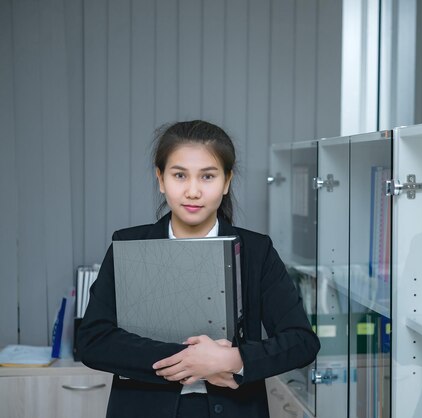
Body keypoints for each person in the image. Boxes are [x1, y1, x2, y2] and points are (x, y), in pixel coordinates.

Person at [77, 120, 320, 418]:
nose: (193, 191)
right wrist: (194, 361)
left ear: (227, 181)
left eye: (207, 176)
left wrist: (232, 360)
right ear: (161, 179)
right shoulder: (128, 245)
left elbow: (301, 342)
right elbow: (92, 340)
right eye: (180, 175)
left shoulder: (257, 251)